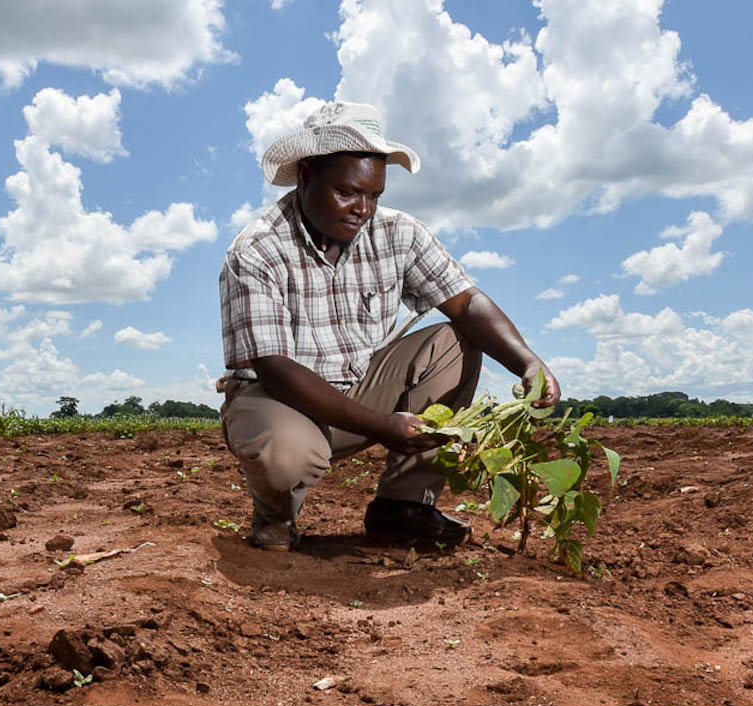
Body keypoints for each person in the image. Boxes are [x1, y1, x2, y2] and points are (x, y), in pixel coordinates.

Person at [217, 101, 559, 551]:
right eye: (346, 192)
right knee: (288, 456)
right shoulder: (257, 250)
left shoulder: (398, 233)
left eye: (374, 196)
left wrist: (528, 363)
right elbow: (277, 368)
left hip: (361, 388)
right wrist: (382, 426)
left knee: (456, 339)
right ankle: (275, 519)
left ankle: (405, 507)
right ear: (305, 177)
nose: (362, 209)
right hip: (279, 399)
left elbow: (467, 301)